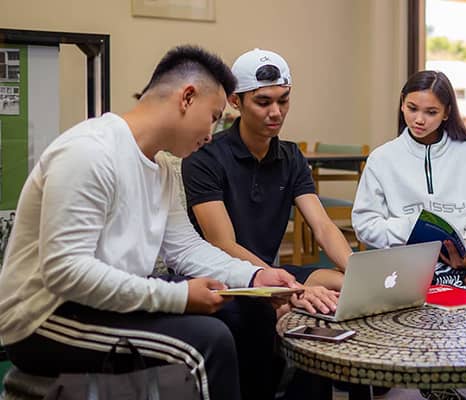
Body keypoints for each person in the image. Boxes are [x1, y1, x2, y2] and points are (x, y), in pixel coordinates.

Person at [0, 45, 336, 400]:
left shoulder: (161, 168)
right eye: (213, 117)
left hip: (100, 305)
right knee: (207, 344)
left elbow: (186, 248)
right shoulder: (90, 151)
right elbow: (65, 272)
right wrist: (178, 297)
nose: (212, 133)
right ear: (187, 98)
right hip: (44, 319)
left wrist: (256, 277)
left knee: (229, 319)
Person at [182, 48, 351, 292]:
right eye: (263, 102)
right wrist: (285, 288)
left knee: (345, 285)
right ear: (234, 101)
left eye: (283, 100)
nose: (276, 112)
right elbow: (223, 243)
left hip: (269, 272)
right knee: (297, 300)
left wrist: (356, 275)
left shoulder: (291, 157)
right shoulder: (205, 157)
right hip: (221, 275)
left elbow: (323, 227)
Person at [352, 70, 466, 288]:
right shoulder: (381, 159)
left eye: (431, 112)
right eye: (412, 108)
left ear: (446, 113)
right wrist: (410, 228)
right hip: (404, 262)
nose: (419, 120)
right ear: (402, 103)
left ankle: (455, 278)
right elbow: (364, 225)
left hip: (462, 263)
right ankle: (445, 281)